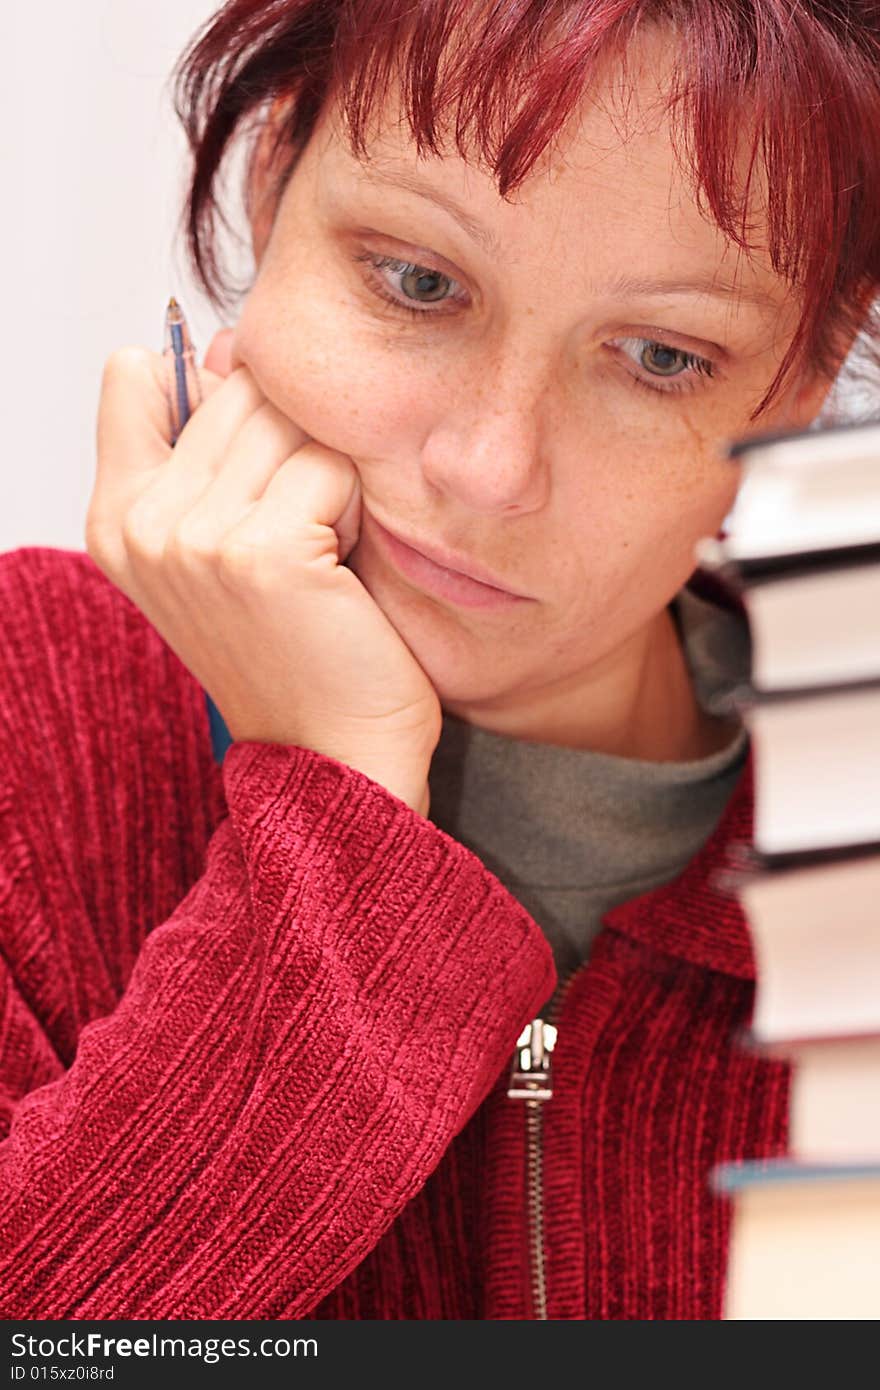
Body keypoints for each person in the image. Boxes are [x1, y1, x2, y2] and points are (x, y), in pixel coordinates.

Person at [1, 0, 878, 1320]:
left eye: (658, 357)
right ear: (273, 170)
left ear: (803, 382)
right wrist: (341, 823)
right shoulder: (31, 711)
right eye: (419, 282)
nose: (490, 466)